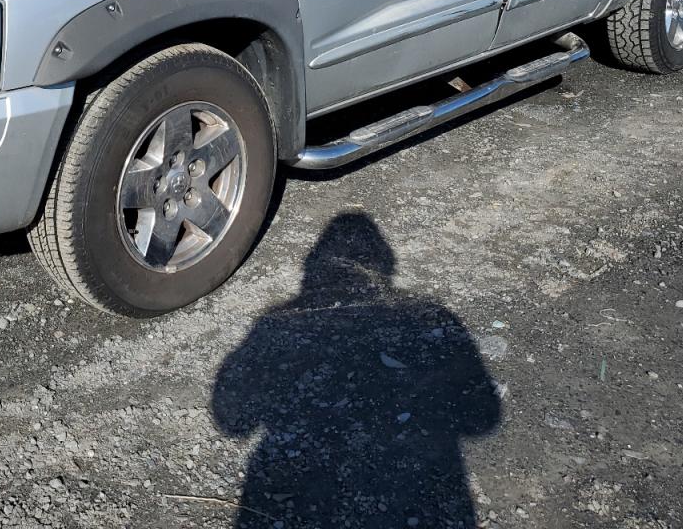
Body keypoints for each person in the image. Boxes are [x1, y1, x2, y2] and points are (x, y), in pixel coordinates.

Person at [213, 213, 501, 528]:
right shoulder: (432, 316)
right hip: (418, 494)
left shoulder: (275, 323)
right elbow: (483, 418)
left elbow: (231, 421)